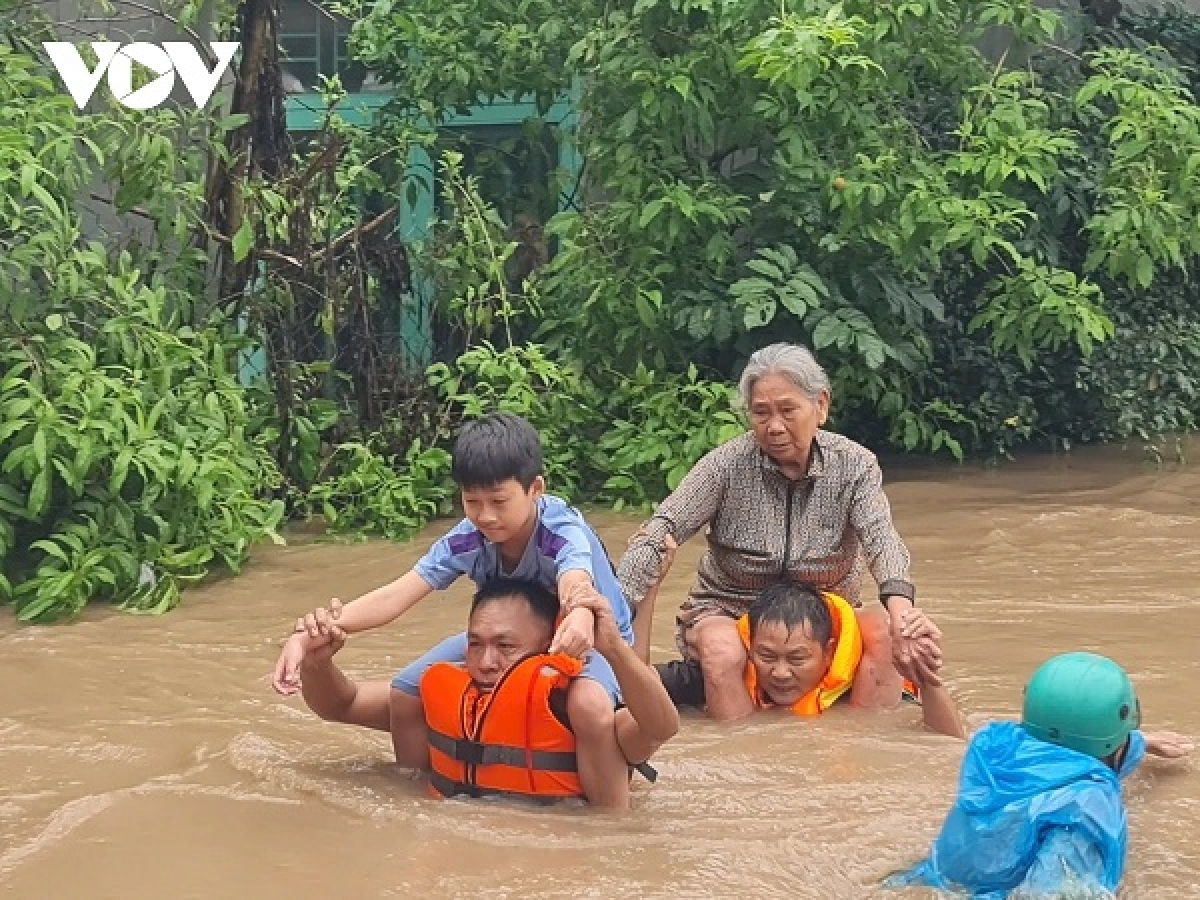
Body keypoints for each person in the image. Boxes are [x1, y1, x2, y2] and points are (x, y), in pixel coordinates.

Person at [271, 412, 642, 808]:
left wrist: (582, 615)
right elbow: (398, 594)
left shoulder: (561, 528)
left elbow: (576, 579)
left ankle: (611, 818)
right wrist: (313, 632)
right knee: (406, 692)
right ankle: (419, 797)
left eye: (499, 501)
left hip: (589, 638)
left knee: (589, 706)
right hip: (507, 639)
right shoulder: (469, 537)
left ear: (535, 489)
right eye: (472, 502)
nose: (485, 516)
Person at [618, 342, 938, 721]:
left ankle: (857, 750)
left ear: (821, 405)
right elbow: (662, 528)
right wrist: (613, 606)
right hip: (729, 611)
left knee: (884, 632)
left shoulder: (855, 466)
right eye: (760, 413)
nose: (773, 427)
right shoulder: (725, 466)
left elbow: (882, 540)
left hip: (818, 622)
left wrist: (903, 612)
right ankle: (743, 758)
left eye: (788, 410)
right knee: (721, 649)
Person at [297, 577, 678, 807]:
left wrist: (613, 649)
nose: (486, 661)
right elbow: (341, 704)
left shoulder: (575, 711)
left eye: (506, 647)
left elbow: (660, 727)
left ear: (548, 647)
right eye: (475, 644)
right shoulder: (444, 700)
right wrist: (317, 663)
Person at [887, 652, 1193, 897]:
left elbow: (1069, 758)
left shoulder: (995, 747)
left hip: (919, 881)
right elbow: (1055, 891)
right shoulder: (1085, 810)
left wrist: (1141, 743)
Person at [652, 581, 965, 739]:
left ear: (828, 652)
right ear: (749, 649)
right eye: (767, 656)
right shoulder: (722, 674)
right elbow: (625, 686)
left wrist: (929, 678)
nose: (780, 673)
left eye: (798, 658)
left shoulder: (868, 677)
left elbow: (947, 742)